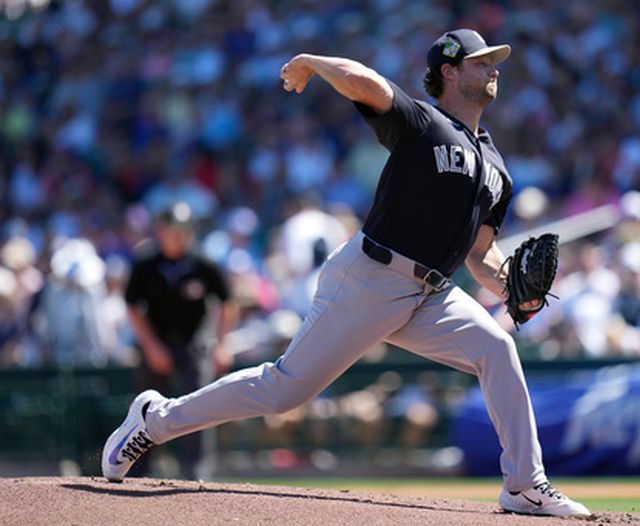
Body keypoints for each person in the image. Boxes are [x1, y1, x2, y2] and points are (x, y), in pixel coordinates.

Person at [102, 29, 590, 517]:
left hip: (432, 295)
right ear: (449, 70)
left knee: (497, 349)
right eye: (481, 62)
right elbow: (367, 82)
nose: (493, 70)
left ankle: (525, 485)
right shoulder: (424, 123)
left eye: (493, 63)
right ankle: (155, 418)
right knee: (283, 391)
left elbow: (480, 254)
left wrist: (511, 289)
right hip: (371, 277)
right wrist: (314, 61)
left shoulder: (498, 169)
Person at [122, 201, 237, 479]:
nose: (178, 236)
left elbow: (228, 303)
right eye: (173, 230)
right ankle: (139, 474)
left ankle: (197, 474)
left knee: (200, 407)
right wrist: (151, 346)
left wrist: (222, 344)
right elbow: (132, 307)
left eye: (184, 230)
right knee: (146, 408)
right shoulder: (146, 264)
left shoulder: (203, 263)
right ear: (160, 231)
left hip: (194, 343)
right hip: (157, 342)